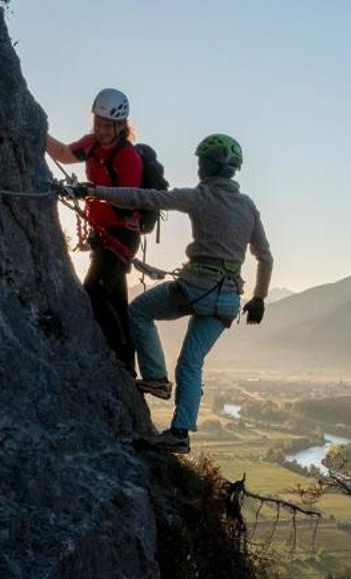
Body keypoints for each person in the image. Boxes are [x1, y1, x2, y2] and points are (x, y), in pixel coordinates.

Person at [74, 133, 270, 454]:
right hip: (229, 298)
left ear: (207, 165)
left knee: (138, 311)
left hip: (195, 287)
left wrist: (93, 192)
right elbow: (265, 256)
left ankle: (155, 379)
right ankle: (180, 434)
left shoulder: (199, 196)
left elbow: (144, 198)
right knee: (192, 362)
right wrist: (259, 298)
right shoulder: (248, 206)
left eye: (199, 162)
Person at [45, 88, 142, 371]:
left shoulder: (127, 157)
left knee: (95, 293)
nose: (100, 130)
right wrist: (38, 131)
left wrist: (89, 191)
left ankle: (116, 359)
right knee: (115, 300)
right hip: (102, 234)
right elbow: (63, 154)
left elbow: (127, 199)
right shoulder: (91, 145)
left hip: (122, 234)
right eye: (97, 124)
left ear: (120, 126)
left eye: (106, 126)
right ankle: (127, 365)